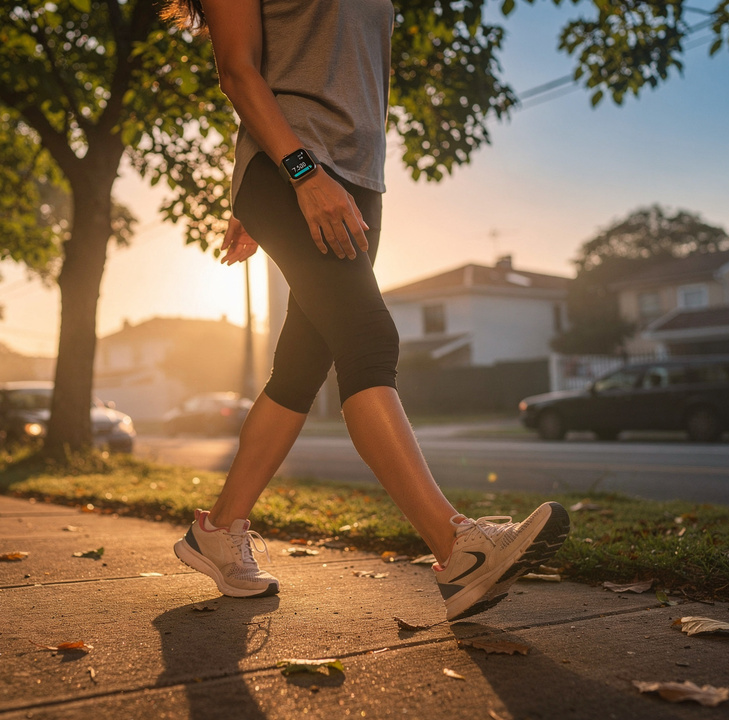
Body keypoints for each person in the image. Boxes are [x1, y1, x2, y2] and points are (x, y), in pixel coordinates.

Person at [162, 0, 570, 621]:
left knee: (301, 366)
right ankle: (457, 548)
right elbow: (238, 70)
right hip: (295, 167)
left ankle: (218, 531)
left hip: (357, 174)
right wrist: (295, 177)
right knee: (368, 340)